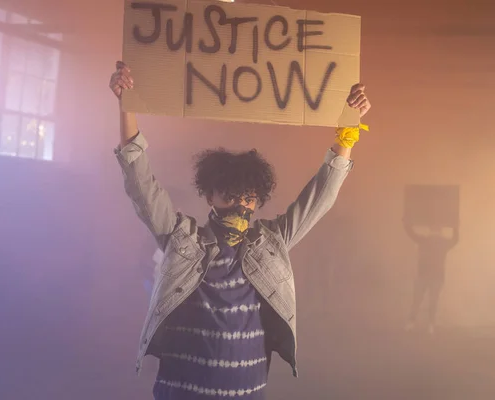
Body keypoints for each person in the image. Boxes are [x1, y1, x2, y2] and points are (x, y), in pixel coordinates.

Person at [109, 60, 371, 399]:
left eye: (248, 197)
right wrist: (125, 104)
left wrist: (348, 130)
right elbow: (140, 181)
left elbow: (319, 196)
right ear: (210, 195)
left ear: (258, 199)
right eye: (230, 195)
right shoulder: (183, 239)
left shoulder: (271, 242)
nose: (240, 204)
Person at [403, 220, 459, 334]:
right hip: (437, 276)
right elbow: (455, 240)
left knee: (417, 300)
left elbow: (410, 232)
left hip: (424, 275)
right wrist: (455, 227)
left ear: (430, 229)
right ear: (440, 230)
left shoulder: (424, 240)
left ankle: (411, 323)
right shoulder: (443, 242)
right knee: (433, 301)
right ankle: (430, 325)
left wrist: (407, 222)